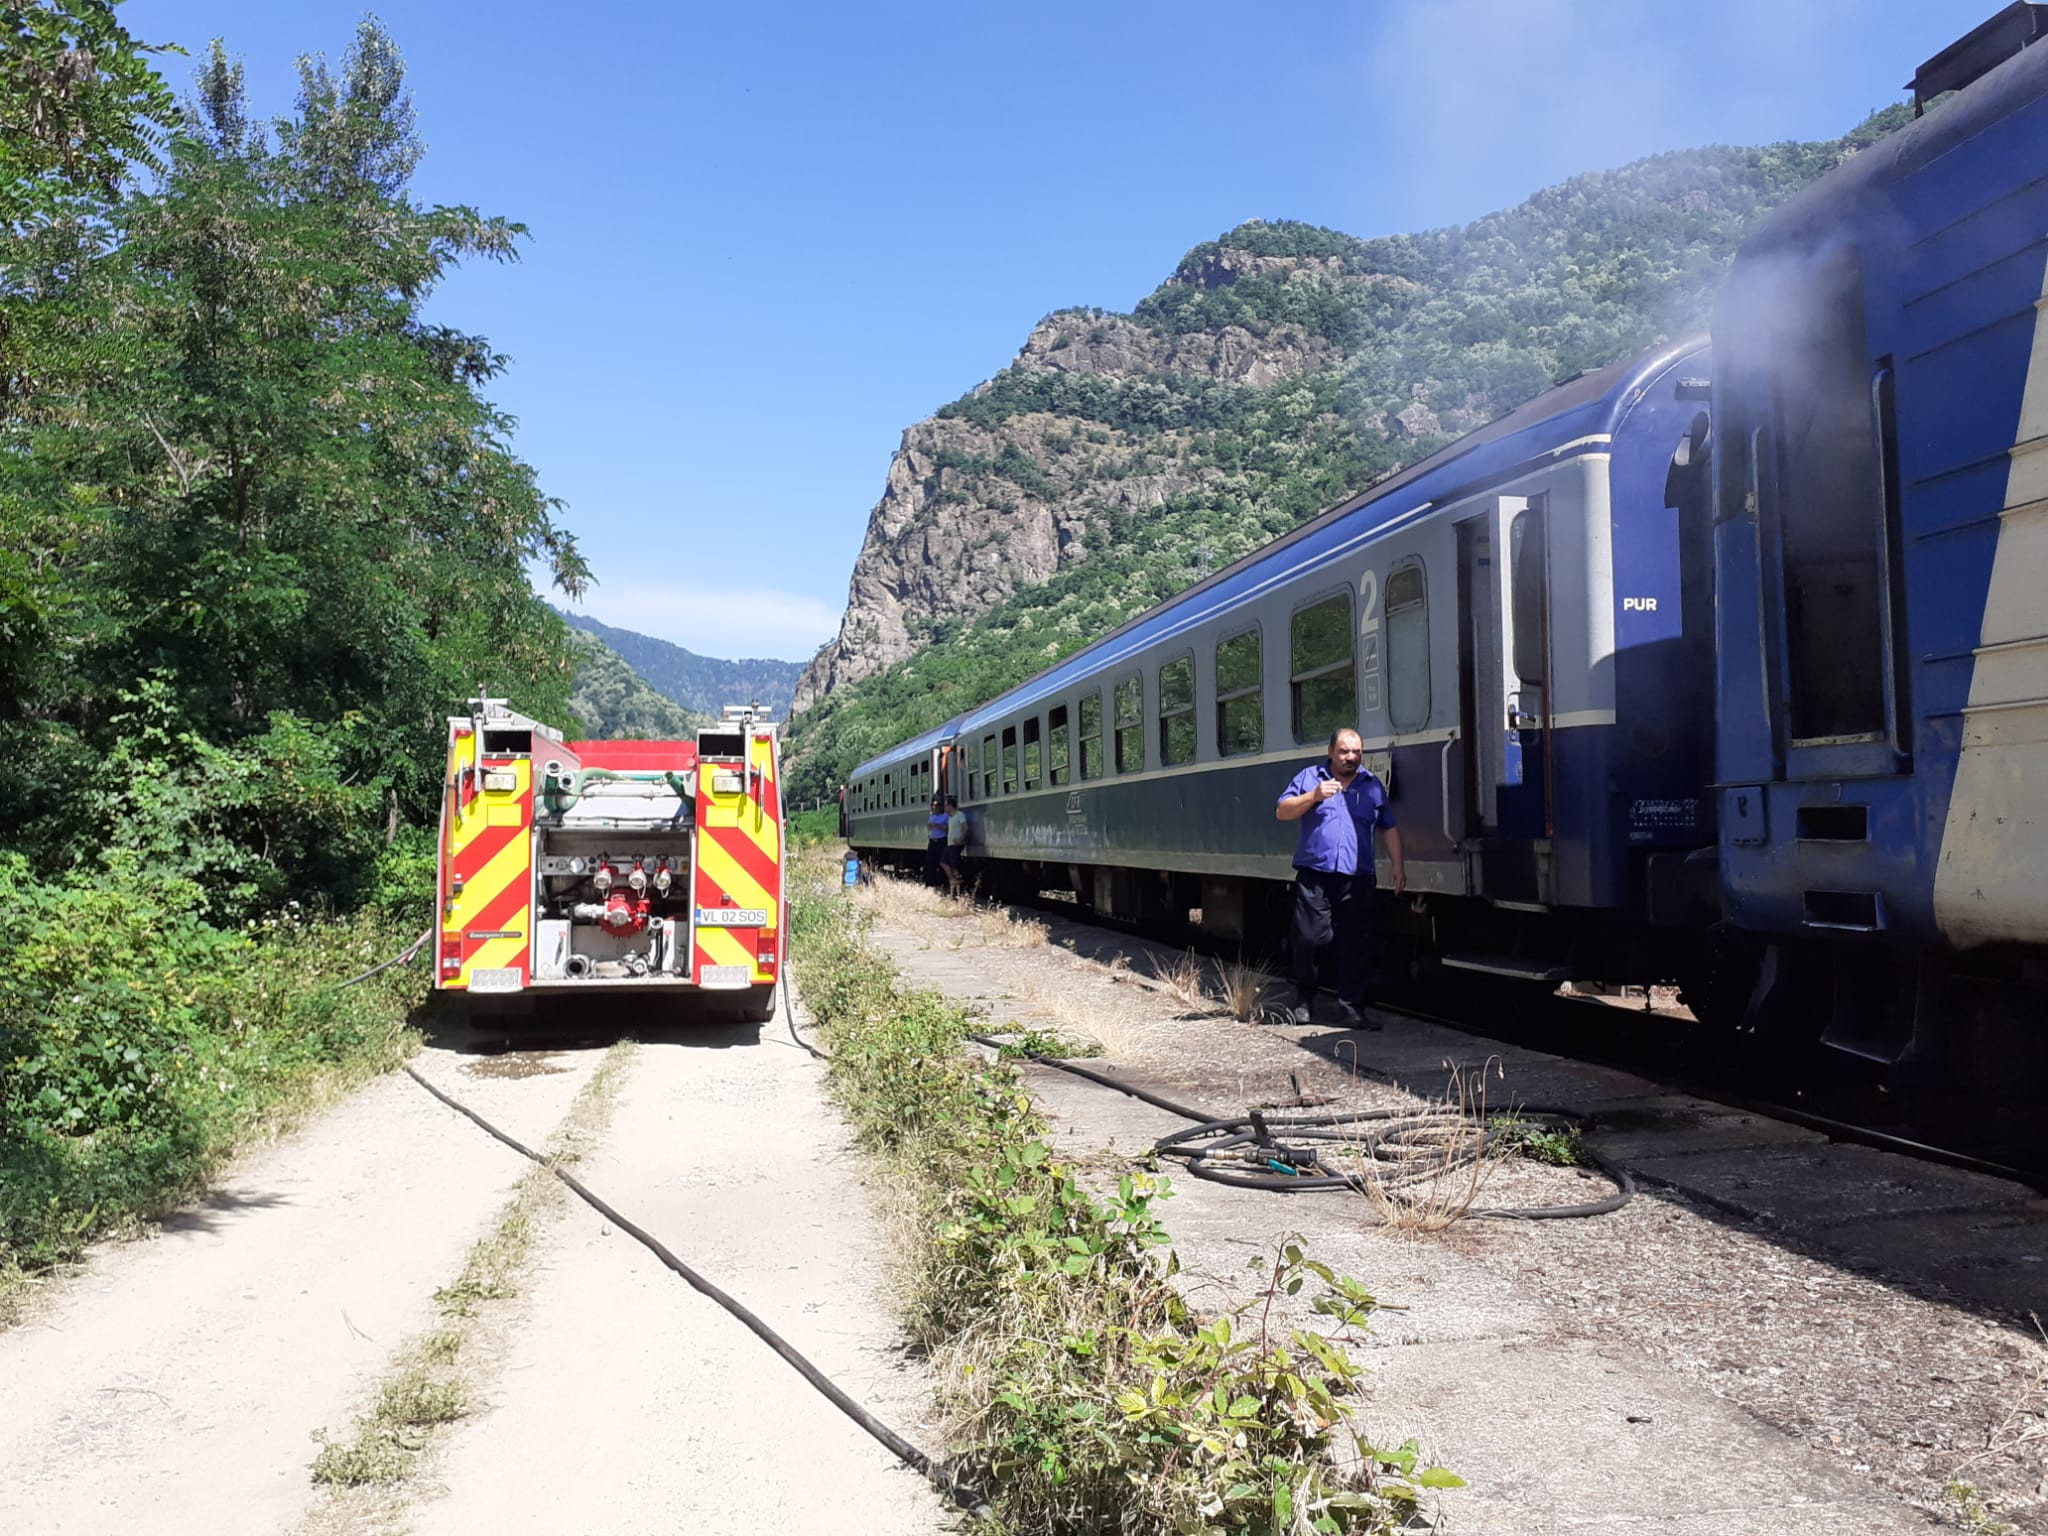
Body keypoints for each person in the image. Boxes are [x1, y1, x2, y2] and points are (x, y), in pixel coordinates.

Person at [1274, 727, 1405, 1027]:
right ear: (1331, 752)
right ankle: (1304, 1000)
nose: (1351, 757)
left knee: (1355, 943)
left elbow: (1389, 826)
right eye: (1345, 751)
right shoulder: (1310, 777)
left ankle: (1351, 1009)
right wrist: (1313, 796)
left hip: (1357, 877)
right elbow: (1283, 811)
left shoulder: (1371, 785)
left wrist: (1398, 865)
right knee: (1310, 939)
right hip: (1315, 875)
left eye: (1356, 752)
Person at [941, 796, 967, 895]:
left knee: (954, 866)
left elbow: (966, 828)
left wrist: (960, 839)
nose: (945, 808)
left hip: (956, 845)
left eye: (946, 806)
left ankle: (957, 890)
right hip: (950, 844)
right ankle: (952, 880)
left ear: (950, 806)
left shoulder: (960, 815)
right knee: (943, 861)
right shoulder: (950, 817)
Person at [924, 795, 948, 885]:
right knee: (929, 862)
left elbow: (948, 828)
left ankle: (942, 883)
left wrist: (937, 826)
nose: (935, 808)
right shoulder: (932, 816)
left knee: (941, 862)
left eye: (937, 806)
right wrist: (930, 827)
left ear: (940, 807)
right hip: (932, 841)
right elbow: (930, 827)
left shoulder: (945, 816)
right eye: (934, 806)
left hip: (941, 841)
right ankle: (930, 883)